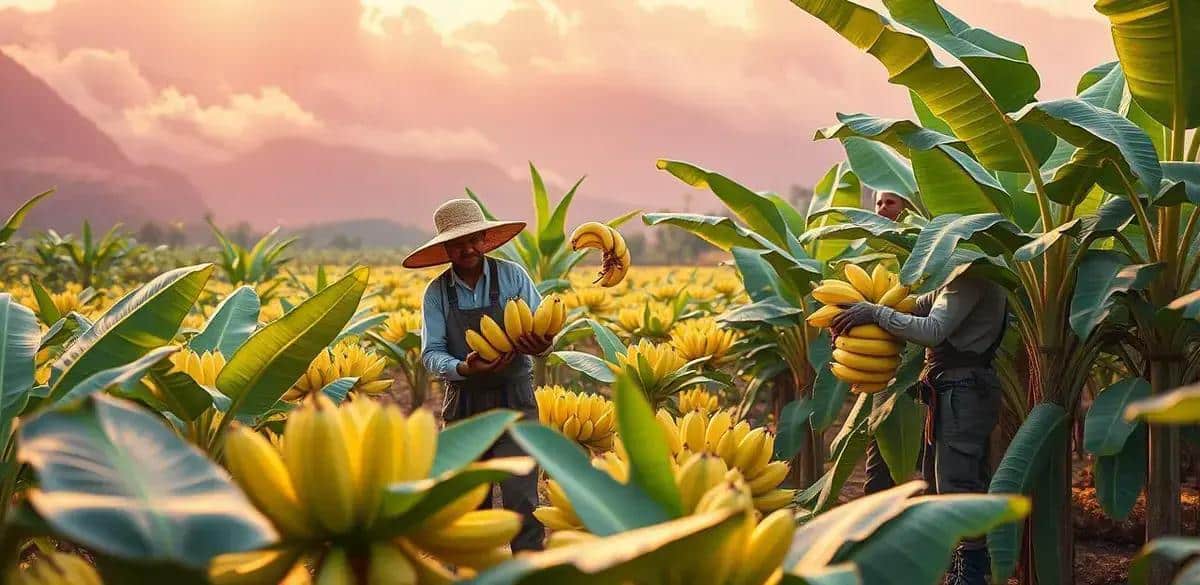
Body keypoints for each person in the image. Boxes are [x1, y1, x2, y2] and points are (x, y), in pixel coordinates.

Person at [831, 271, 1007, 585]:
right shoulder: (952, 280)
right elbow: (915, 309)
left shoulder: (971, 279)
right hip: (951, 388)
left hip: (965, 389)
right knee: (942, 481)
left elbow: (932, 330)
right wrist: (861, 323)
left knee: (958, 482)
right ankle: (960, 565)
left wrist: (876, 313)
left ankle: (973, 572)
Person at [405, 198, 552, 553]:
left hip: (514, 400)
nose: (467, 248)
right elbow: (431, 353)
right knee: (469, 506)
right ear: (445, 248)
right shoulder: (437, 292)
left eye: (473, 239)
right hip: (464, 405)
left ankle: (529, 573)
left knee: (522, 500)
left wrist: (542, 343)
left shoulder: (513, 277)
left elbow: (543, 336)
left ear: (485, 239)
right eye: (457, 243)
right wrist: (462, 368)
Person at [863, 190, 912, 495]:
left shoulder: (923, 251)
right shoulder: (874, 255)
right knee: (880, 447)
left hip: (922, 368)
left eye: (890, 202)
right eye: (878, 202)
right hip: (882, 368)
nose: (882, 209)